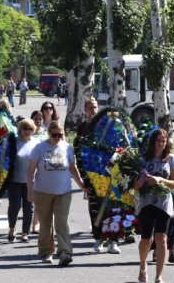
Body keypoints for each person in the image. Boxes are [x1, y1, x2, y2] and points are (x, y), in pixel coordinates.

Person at [26, 121, 89, 266]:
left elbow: (73, 169)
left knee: (61, 222)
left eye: (60, 135)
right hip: (42, 192)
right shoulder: (39, 148)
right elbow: (29, 173)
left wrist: (81, 185)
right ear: (49, 134)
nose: (57, 138)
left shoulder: (67, 148)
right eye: (54, 135)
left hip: (64, 192)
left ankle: (65, 252)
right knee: (46, 224)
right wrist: (30, 192)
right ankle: (46, 252)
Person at [134, 129, 174, 283]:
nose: (160, 143)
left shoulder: (171, 159)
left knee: (162, 238)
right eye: (158, 140)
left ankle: (159, 276)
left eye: (163, 141)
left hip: (164, 203)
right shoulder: (142, 160)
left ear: (167, 143)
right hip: (146, 203)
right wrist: (139, 183)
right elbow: (133, 185)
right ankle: (142, 265)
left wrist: (159, 180)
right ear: (152, 141)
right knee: (146, 239)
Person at [74, 99, 109, 253]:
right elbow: (80, 151)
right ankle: (97, 234)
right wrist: (83, 174)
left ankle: (110, 234)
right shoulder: (83, 127)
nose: (93, 110)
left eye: (95, 107)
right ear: (85, 110)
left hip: (106, 171)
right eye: (90, 108)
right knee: (94, 203)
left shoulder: (105, 125)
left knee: (108, 204)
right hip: (90, 171)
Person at [7, 119, 38, 243]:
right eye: (24, 129)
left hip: (31, 181)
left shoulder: (37, 143)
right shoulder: (14, 142)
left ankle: (25, 233)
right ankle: (11, 228)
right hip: (14, 180)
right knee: (14, 205)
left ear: (33, 130)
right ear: (20, 130)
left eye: (30, 129)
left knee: (28, 207)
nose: (27, 131)